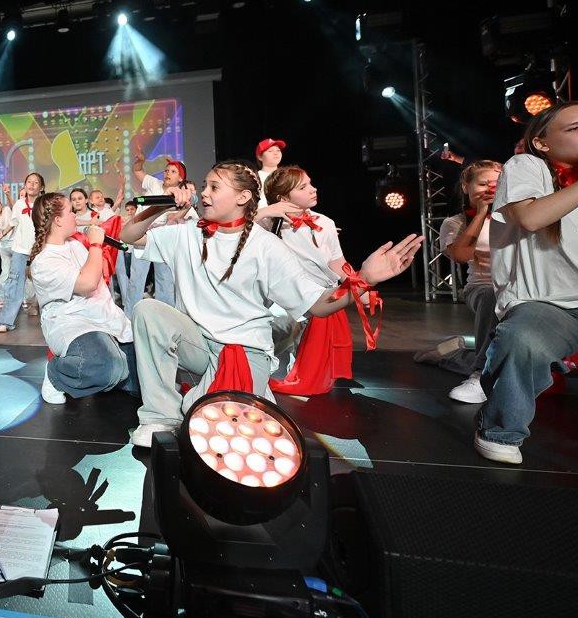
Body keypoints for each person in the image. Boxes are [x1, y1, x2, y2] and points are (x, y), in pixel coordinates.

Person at [118, 162, 421, 448]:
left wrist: (364, 279)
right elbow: (128, 236)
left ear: (243, 197)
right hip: (199, 344)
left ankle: (236, 396)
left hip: (244, 351)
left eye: (214, 187)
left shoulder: (266, 247)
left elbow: (317, 304)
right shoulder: (187, 234)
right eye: (205, 186)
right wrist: (161, 205)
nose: (204, 193)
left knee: (209, 424)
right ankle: (161, 417)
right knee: (147, 310)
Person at [474, 103, 578, 464]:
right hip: (555, 306)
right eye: (576, 128)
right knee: (520, 339)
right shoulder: (526, 166)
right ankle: (500, 429)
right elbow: (531, 218)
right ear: (542, 142)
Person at [259, 166, 376, 395]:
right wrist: (267, 211)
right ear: (283, 198)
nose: (313, 189)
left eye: (310, 184)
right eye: (303, 187)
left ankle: (298, 378)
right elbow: (239, 227)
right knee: (278, 334)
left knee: (307, 354)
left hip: (322, 296)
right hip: (286, 299)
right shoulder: (269, 225)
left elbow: (337, 263)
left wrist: (360, 288)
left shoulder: (325, 223)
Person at [28, 192, 138, 405]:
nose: (75, 215)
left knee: (146, 380)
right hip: (76, 324)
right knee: (109, 368)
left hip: (106, 320)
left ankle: (110, 372)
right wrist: (96, 245)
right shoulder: (43, 262)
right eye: (70, 211)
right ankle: (56, 374)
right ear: (58, 220)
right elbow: (87, 284)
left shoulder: (75, 245)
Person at [413, 161, 503, 402]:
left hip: (519, 287)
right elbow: (461, 255)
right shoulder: (455, 223)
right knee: (491, 295)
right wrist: (481, 213)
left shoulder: (518, 215)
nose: (490, 189)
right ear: (466, 187)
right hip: (483, 286)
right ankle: (479, 374)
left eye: (496, 183)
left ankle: (451, 355)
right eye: (483, 183)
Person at [126, 153, 188, 314]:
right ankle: (130, 318)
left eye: (173, 171)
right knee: (136, 280)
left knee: (165, 281)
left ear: (181, 178)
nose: (167, 173)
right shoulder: (154, 183)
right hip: (142, 236)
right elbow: (137, 170)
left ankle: (165, 319)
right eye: (166, 170)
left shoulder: (181, 196)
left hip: (164, 238)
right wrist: (140, 161)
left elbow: (183, 216)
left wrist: (175, 215)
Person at [0, 172, 44, 332]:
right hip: (20, 248)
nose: (32, 185)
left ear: (41, 187)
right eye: (29, 181)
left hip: (40, 249)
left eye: (36, 182)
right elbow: (13, 222)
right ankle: (5, 321)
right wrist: (3, 233)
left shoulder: (44, 204)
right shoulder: (19, 204)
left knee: (44, 282)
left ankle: (49, 316)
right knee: (14, 283)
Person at [255, 138, 287, 208]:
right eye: (270, 151)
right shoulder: (256, 178)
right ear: (260, 157)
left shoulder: (287, 175)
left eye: (278, 150)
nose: (276, 153)